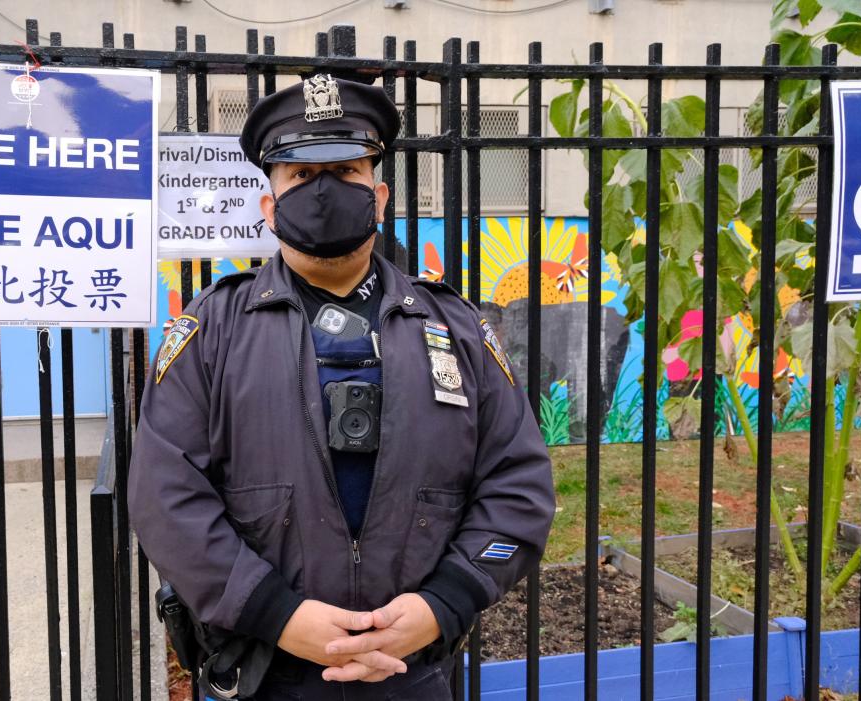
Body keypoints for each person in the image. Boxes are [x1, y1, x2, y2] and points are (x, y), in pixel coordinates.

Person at [129, 73, 555, 699]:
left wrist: (444, 602)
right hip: (261, 670)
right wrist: (278, 614)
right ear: (269, 207)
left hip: (415, 672)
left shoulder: (456, 327)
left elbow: (518, 484)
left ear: (379, 197)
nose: (325, 190)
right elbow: (166, 497)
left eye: (347, 171)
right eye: (301, 176)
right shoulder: (212, 330)